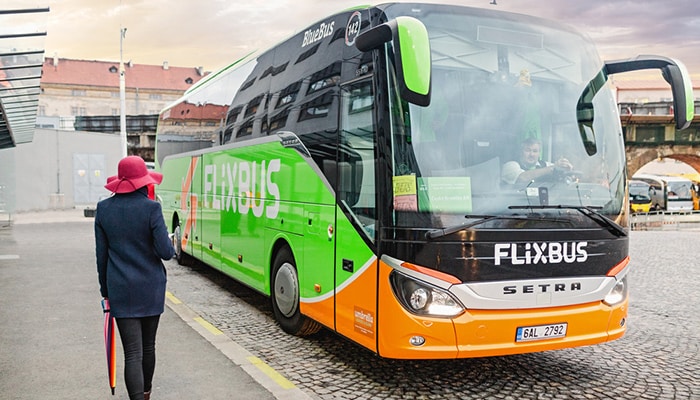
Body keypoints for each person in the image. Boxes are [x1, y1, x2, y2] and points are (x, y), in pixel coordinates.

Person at [95, 156, 175, 400]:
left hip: (120, 289)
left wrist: (105, 290)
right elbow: (166, 252)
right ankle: (147, 393)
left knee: (132, 352)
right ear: (143, 182)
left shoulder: (104, 209)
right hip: (151, 288)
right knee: (148, 346)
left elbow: (101, 257)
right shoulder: (151, 208)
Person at [501, 137, 573, 185]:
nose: (531, 154)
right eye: (528, 150)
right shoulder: (510, 166)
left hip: (540, 206)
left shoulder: (545, 165)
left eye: (535, 151)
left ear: (539, 154)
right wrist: (552, 168)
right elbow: (522, 178)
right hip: (514, 206)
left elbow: (558, 170)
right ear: (521, 152)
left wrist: (564, 168)